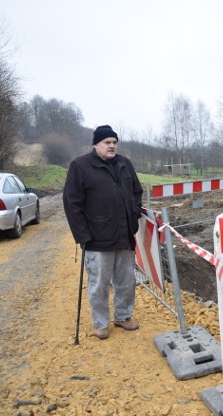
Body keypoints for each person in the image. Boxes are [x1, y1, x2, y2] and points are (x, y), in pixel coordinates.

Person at [63, 124, 144, 339]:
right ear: (95, 144)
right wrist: (83, 236)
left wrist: (133, 217)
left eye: (114, 142)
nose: (112, 146)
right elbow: (72, 203)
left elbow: (137, 191)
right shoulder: (80, 166)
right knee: (99, 283)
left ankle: (123, 316)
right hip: (97, 238)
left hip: (124, 235)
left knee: (126, 280)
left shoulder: (125, 164)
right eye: (107, 142)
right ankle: (100, 323)